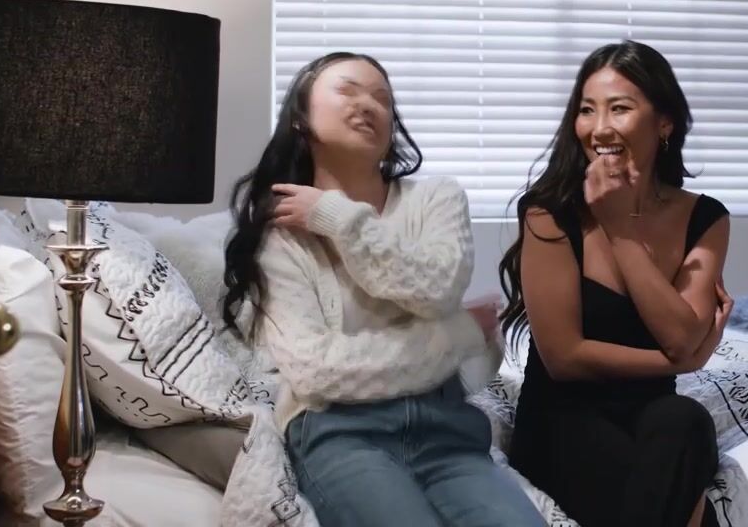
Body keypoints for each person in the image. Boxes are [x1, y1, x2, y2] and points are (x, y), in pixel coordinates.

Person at [222, 52, 545, 527]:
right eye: (347, 90)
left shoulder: (436, 198)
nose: (368, 104)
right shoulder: (282, 234)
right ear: (300, 117)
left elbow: (436, 288)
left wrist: (336, 217)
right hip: (339, 433)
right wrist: (453, 336)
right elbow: (317, 372)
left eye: (382, 98)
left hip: (448, 432)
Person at [500, 40, 734, 527]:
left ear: (664, 122)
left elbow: (681, 334)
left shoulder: (705, 218)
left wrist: (621, 229)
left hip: (652, 413)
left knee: (686, 420)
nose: (599, 127)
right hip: (562, 419)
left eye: (619, 108)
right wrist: (682, 363)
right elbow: (564, 357)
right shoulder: (549, 211)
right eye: (587, 110)